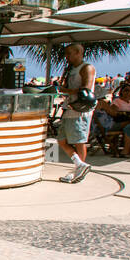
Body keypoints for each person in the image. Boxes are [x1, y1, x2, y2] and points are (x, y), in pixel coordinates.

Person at [57, 42, 96, 182]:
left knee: (79, 141)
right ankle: (80, 165)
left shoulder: (86, 68)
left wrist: (64, 90)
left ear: (78, 52)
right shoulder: (71, 69)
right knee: (61, 139)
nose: (67, 57)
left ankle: (79, 171)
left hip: (80, 110)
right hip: (70, 108)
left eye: (69, 53)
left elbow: (85, 88)